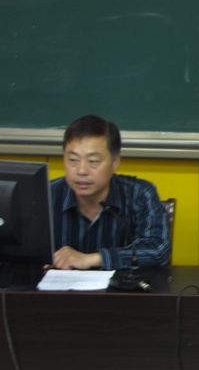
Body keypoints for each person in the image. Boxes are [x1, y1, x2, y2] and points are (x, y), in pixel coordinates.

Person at [50, 114, 171, 270]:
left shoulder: (139, 194)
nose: (81, 171)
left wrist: (95, 258)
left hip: (120, 286)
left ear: (115, 163)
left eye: (93, 161)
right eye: (73, 160)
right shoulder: (47, 195)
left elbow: (158, 249)